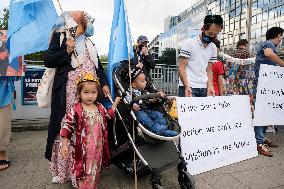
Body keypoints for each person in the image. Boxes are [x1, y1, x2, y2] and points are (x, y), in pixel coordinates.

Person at [44, 11, 111, 183]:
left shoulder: (90, 43)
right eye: (85, 21)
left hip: (90, 92)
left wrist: (103, 84)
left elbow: (98, 67)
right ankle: (63, 171)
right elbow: (48, 60)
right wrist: (66, 50)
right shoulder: (60, 37)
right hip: (68, 94)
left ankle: (87, 168)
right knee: (67, 126)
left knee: (87, 128)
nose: (88, 25)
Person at [60, 73, 120, 188]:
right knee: (84, 170)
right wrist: (64, 143)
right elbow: (67, 125)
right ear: (79, 93)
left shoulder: (100, 107)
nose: (90, 96)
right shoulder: (76, 109)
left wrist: (115, 104)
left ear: (98, 93)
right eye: (86, 92)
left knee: (95, 170)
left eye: (93, 92)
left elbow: (108, 115)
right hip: (83, 150)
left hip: (98, 148)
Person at [253, 26, 284, 157]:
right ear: (278, 35)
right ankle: (259, 142)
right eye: (282, 36)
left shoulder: (272, 46)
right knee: (261, 112)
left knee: (266, 112)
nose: (282, 39)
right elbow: (268, 54)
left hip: (267, 85)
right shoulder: (269, 44)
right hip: (262, 85)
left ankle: (262, 138)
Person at [178, 15, 223, 97]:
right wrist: (186, 86)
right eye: (210, 33)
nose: (212, 36)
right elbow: (181, 67)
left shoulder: (213, 47)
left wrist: (210, 86)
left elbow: (209, 69)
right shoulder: (189, 43)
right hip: (189, 86)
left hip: (204, 87)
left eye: (215, 35)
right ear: (203, 28)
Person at [125, 66, 177, 137]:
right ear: (134, 84)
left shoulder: (143, 91)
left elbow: (150, 98)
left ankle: (165, 127)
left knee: (158, 114)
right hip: (138, 112)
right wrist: (133, 104)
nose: (146, 82)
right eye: (143, 81)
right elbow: (127, 101)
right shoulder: (129, 92)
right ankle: (159, 130)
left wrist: (158, 96)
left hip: (146, 109)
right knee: (146, 119)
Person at [0, 76, 18, 171]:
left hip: (3, 93)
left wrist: (19, 70)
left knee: (3, 123)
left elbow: (15, 75)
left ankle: (1, 151)